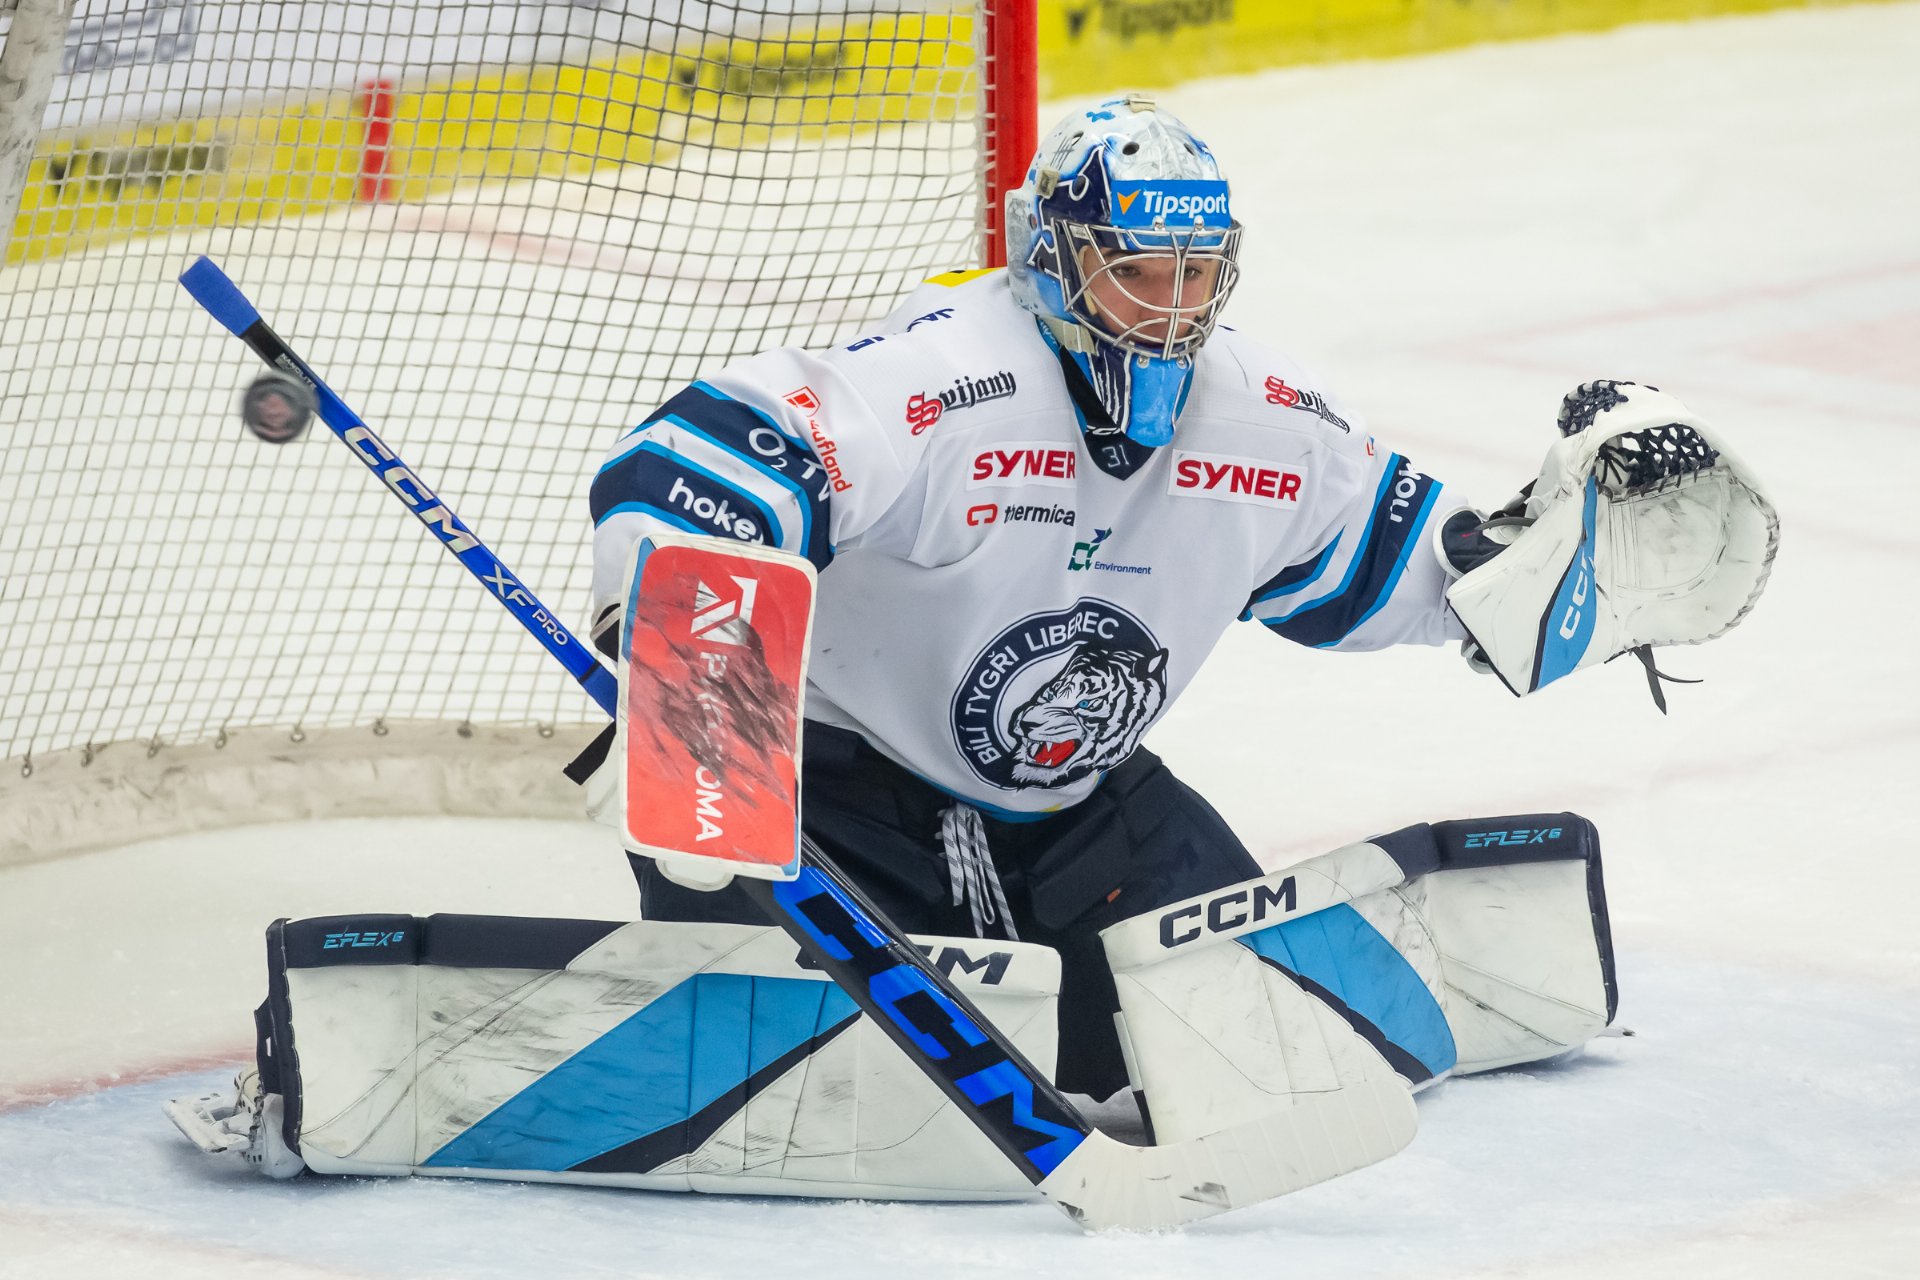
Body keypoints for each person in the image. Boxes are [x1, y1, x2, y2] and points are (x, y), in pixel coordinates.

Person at [581, 93, 1758, 1100]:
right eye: (1137, 269)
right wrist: (687, 689)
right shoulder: (945, 377)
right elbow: (698, 465)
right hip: (833, 811)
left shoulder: (1268, 419)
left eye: (1197, 272)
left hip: (1083, 814)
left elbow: (1396, 573)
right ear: (1051, 255)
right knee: (828, 1082)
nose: (1170, 306)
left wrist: (1544, 572)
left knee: (1267, 1045)